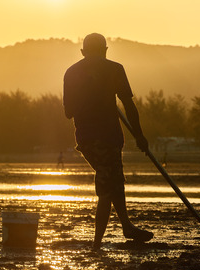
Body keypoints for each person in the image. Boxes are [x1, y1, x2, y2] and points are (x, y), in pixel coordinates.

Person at [63, 33, 153, 249]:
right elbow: (129, 106)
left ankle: (127, 227)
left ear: (83, 52)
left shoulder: (72, 72)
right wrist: (139, 135)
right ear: (105, 50)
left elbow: (68, 113)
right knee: (107, 185)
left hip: (87, 140)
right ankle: (96, 244)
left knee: (115, 181)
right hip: (106, 138)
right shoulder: (114, 69)